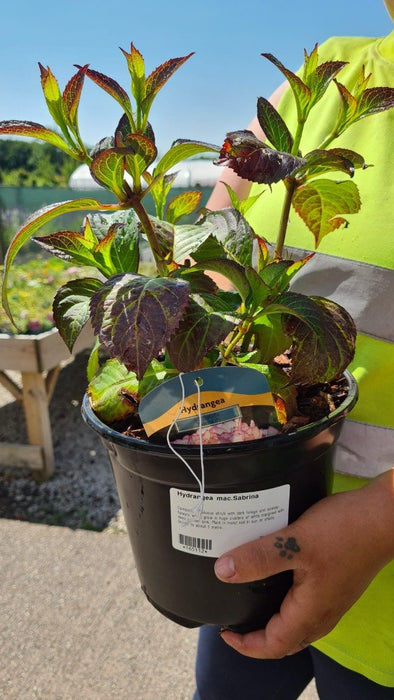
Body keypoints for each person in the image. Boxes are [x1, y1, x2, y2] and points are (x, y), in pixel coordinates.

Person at [193, 5, 394, 699]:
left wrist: (381, 520)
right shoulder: (327, 71)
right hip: (256, 532)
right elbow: (223, 217)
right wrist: (223, 331)